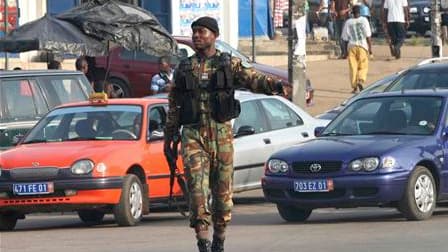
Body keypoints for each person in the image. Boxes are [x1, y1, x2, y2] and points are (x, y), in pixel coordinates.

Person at [164, 16, 284, 252]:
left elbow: (254, 79)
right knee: (197, 191)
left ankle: (219, 240)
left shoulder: (228, 64)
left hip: (222, 136)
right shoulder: (184, 67)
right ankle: (203, 242)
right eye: (194, 32)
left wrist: (277, 85)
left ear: (214, 36)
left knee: (222, 196)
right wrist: (169, 136)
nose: (197, 36)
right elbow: (174, 103)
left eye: (202, 32)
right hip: (193, 135)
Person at [341, 4, 372, 93]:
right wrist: (370, 49)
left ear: (352, 13)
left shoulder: (348, 22)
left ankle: (354, 87)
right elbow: (368, 35)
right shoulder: (364, 20)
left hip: (351, 47)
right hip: (362, 47)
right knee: (363, 65)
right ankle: (360, 80)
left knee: (353, 67)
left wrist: (345, 52)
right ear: (360, 12)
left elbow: (345, 38)